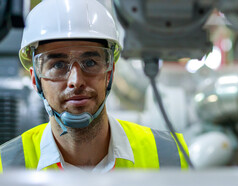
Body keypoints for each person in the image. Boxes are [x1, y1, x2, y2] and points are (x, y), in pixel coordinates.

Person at [0, 0, 188, 172]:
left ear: (110, 72)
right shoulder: (5, 165)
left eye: (89, 62)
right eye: (58, 65)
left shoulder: (170, 155)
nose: (76, 80)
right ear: (35, 80)